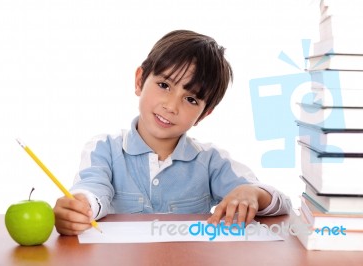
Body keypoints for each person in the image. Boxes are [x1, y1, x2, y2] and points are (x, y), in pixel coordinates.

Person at [53, 30, 291, 236]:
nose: (171, 106)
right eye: (164, 85)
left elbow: (281, 203)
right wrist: (82, 206)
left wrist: (253, 193)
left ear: (204, 114)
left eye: (190, 99)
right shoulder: (104, 148)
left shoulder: (210, 161)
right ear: (139, 81)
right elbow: (92, 188)